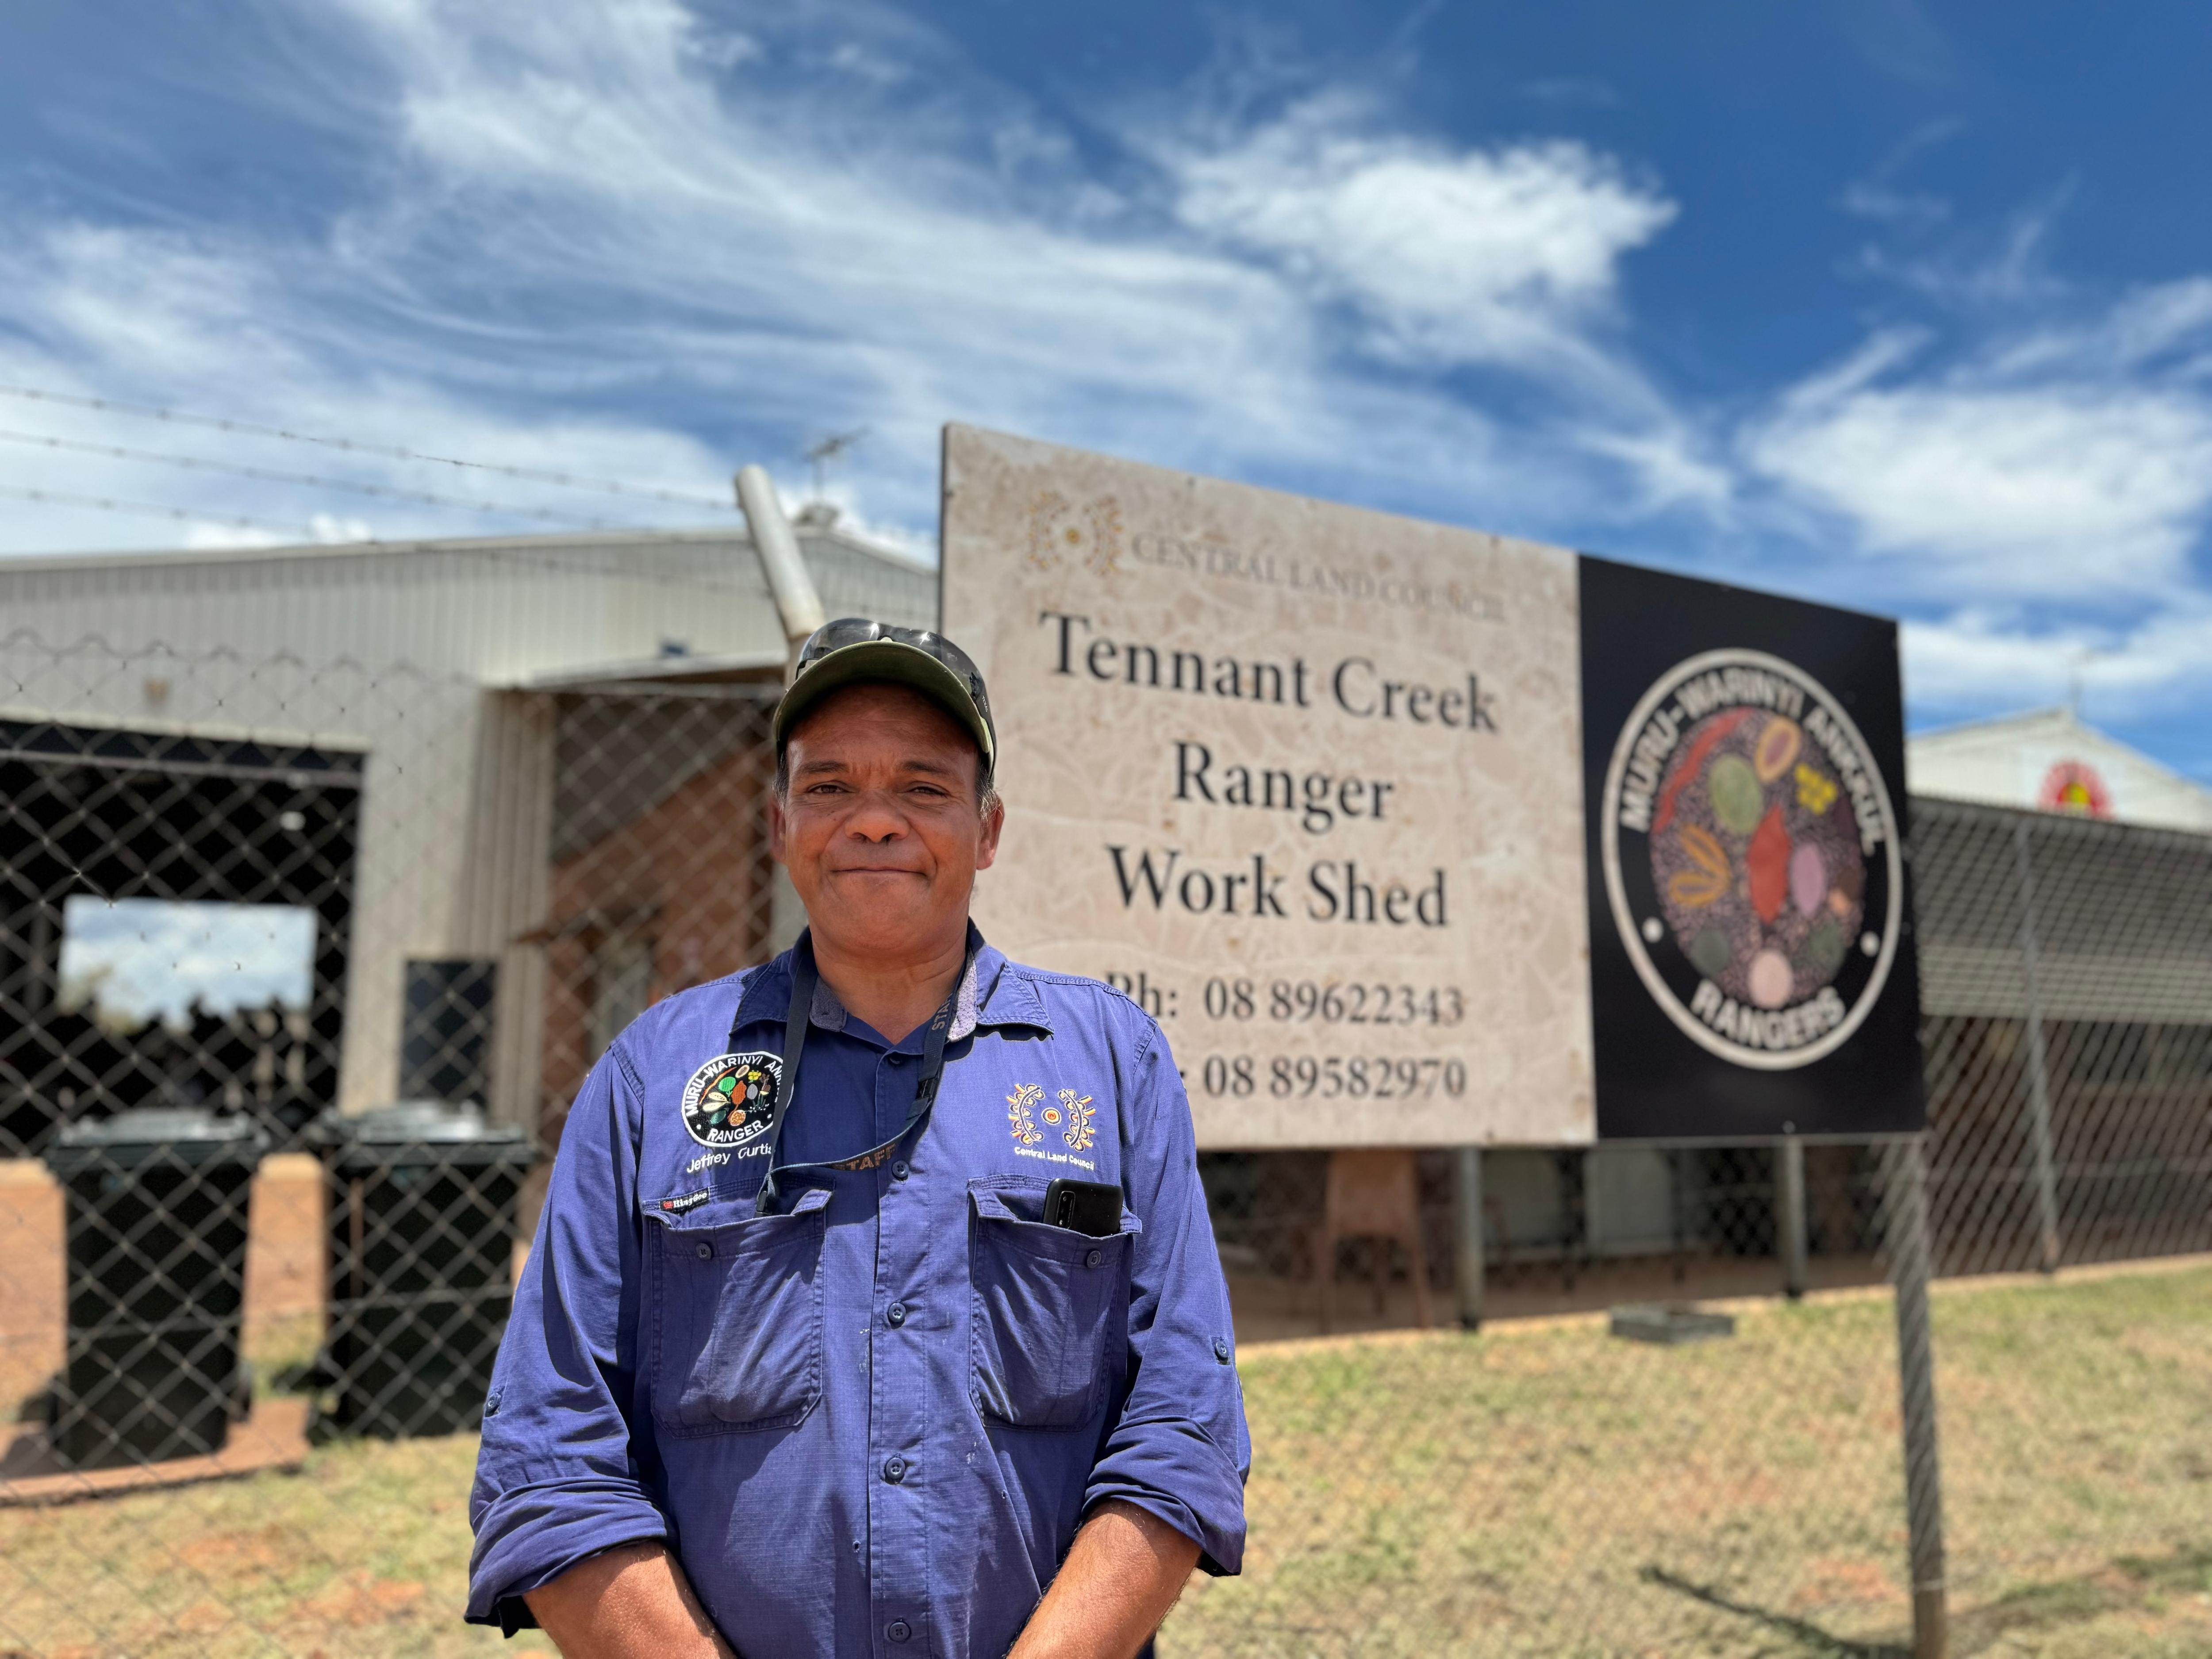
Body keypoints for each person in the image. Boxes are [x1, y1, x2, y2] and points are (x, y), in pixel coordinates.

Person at [467, 618, 1249, 1658]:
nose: (874, 822)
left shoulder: (1114, 1065)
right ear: (780, 820)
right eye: (831, 786)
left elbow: (1182, 1431)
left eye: (923, 788)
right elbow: (549, 1460)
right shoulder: (653, 1076)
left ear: (989, 830)